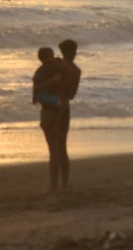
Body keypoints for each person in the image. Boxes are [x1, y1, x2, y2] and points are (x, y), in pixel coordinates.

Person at [56, 38, 82, 189]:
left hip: (54, 107)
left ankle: (55, 183)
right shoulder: (76, 70)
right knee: (62, 147)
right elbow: (72, 95)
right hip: (65, 107)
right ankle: (64, 182)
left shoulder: (58, 66)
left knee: (54, 148)